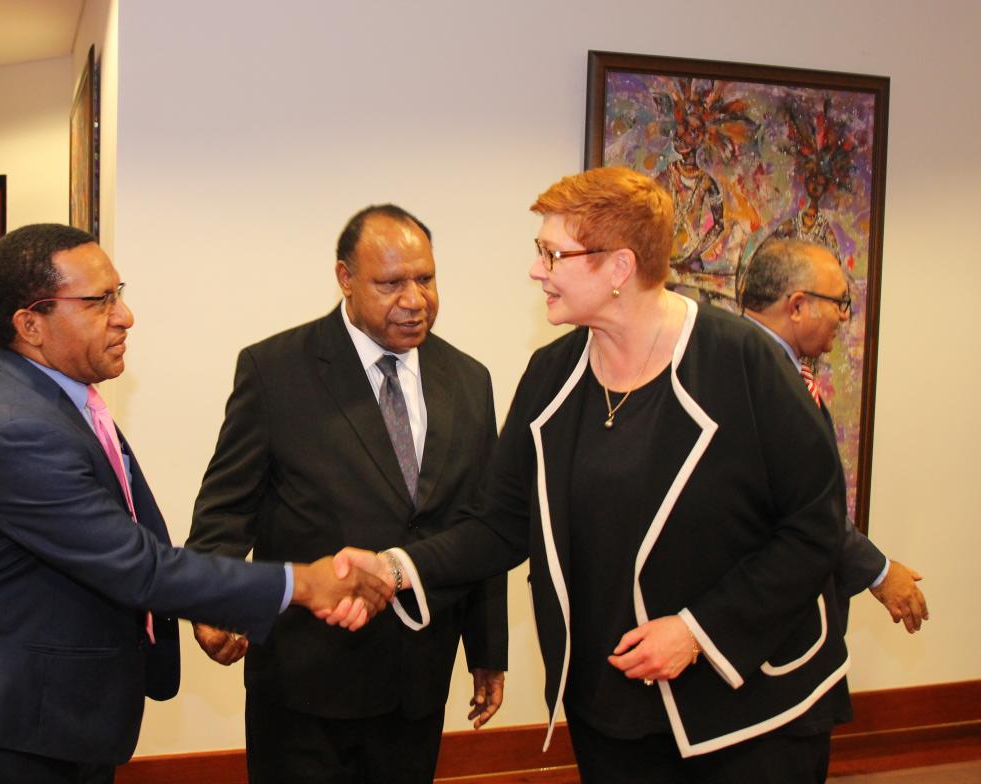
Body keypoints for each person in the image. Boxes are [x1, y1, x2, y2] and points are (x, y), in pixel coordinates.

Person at [340, 169, 852, 783]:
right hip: (610, 709)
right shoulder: (551, 376)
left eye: (552, 254)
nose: (537, 271)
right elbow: (500, 524)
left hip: (747, 711)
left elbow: (815, 526)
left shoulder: (742, 361)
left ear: (618, 269)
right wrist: (396, 568)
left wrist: (699, 630)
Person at [0, 223, 390, 784]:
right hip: (11, 723)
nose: (125, 316)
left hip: (59, 711)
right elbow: (139, 566)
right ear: (30, 324)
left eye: (120, 293)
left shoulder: (58, 396)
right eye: (99, 301)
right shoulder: (20, 432)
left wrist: (216, 602)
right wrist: (302, 583)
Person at [186, 204, 507, 784]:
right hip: (305, 678)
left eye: (426, 278)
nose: (414, 299)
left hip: (418, 676)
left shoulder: (469, 379)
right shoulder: (275, 369)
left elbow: (479, 525)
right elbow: (227, 505)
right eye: (390, 283)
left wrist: (488, 651)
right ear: (345, 278)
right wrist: (213, 600)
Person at [739, 237, 929, 636]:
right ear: (797, 305)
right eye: (839, 302)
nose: (844, 317)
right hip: (767, 628)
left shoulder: (755, 363)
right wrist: (879, 572)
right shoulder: (754, 377)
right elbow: (801, 509)